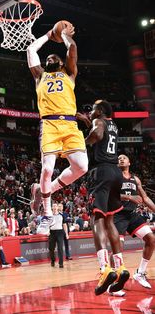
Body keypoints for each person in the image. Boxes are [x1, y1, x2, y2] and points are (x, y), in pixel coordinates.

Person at [26, 23, 88, 235]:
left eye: (54, 58)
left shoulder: (69, 73)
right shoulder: (39, 76)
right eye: (48, 59)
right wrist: (47, 35)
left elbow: (72, 50)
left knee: (82, 167)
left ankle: (43, 190)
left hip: (70, 125)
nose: (49, 59)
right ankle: (47, 214)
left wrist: (63, 35)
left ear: (61, 63)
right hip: (50, 124)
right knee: (46, 169)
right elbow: (31, 50)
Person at [84, 100, 129, 295]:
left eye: (93, 110)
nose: (91, 112)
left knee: (97, 218)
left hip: (101, 172)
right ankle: (120, 267)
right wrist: (88, 121)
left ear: (100, 111)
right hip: (115, 173)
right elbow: (101, 130)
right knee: (110, 218)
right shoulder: (114, 125)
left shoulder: (100, 122)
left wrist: (83, 143)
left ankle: (104, 269)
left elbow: (97, 134)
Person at [112, 154, 155, 290]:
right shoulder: (114, 177)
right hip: (117, 215)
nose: (121, 159)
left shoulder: (135, 179)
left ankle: (140, 273)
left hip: (131, 215)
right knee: (118, 248)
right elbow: (108, 195)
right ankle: (114, 280)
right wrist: (129, 197)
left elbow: (145, 198)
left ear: (129, 162)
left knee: (151, 239)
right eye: (118, 159)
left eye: (124, 158)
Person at [48, 203, 68, 268]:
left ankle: (61, 263)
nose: (54, 207)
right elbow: (47, 225)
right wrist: (47, 231)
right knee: (51, 248)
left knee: (60, 248)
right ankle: (53, 261)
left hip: (60, 232)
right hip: (52, 232)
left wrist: (66, 234)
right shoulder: (49, 216)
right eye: (53, 206)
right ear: (52, 208)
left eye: (55, 206)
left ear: (57, 207)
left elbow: (64, 225)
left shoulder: (61, 215)